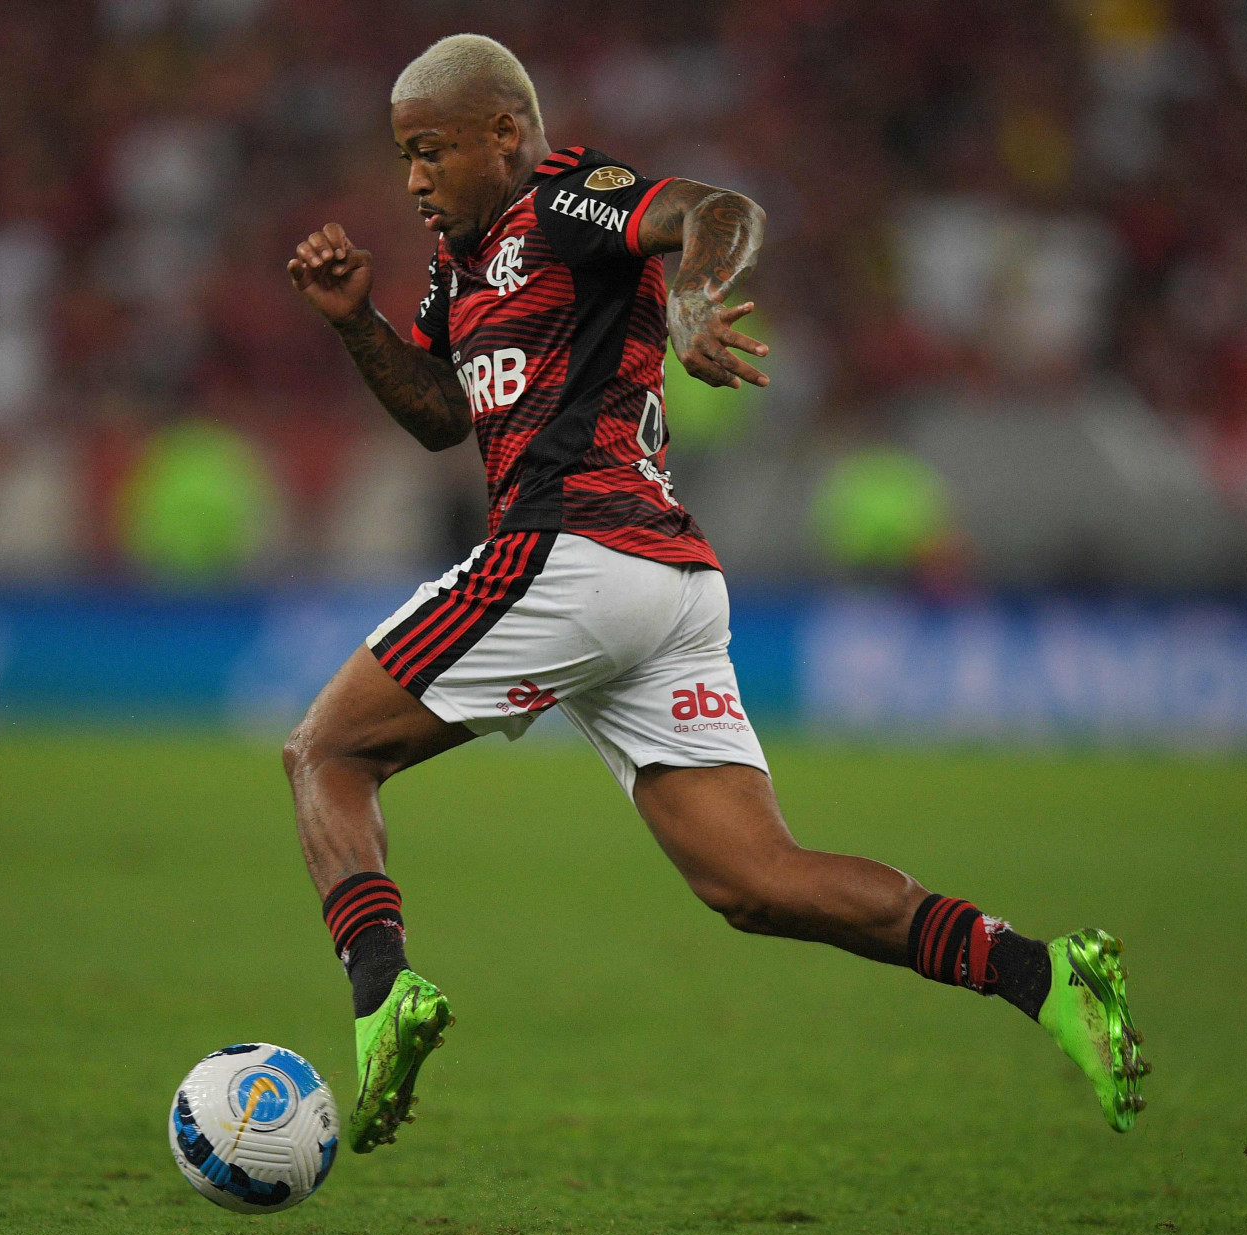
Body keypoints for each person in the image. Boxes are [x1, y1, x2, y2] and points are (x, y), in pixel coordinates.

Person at [284, 33, 1146, 1155]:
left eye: (428, 150)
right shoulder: (463, 263)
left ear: (504, 132)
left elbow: (717, 208)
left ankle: (378, 990)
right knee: (755, 880)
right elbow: (444, 416)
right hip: (661, 585)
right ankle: (1043, 973)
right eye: (401, 157)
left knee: (326, 751)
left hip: (571, 551)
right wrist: (357, 321)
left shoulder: (565, 203)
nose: (410, 180)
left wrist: (689, 301)